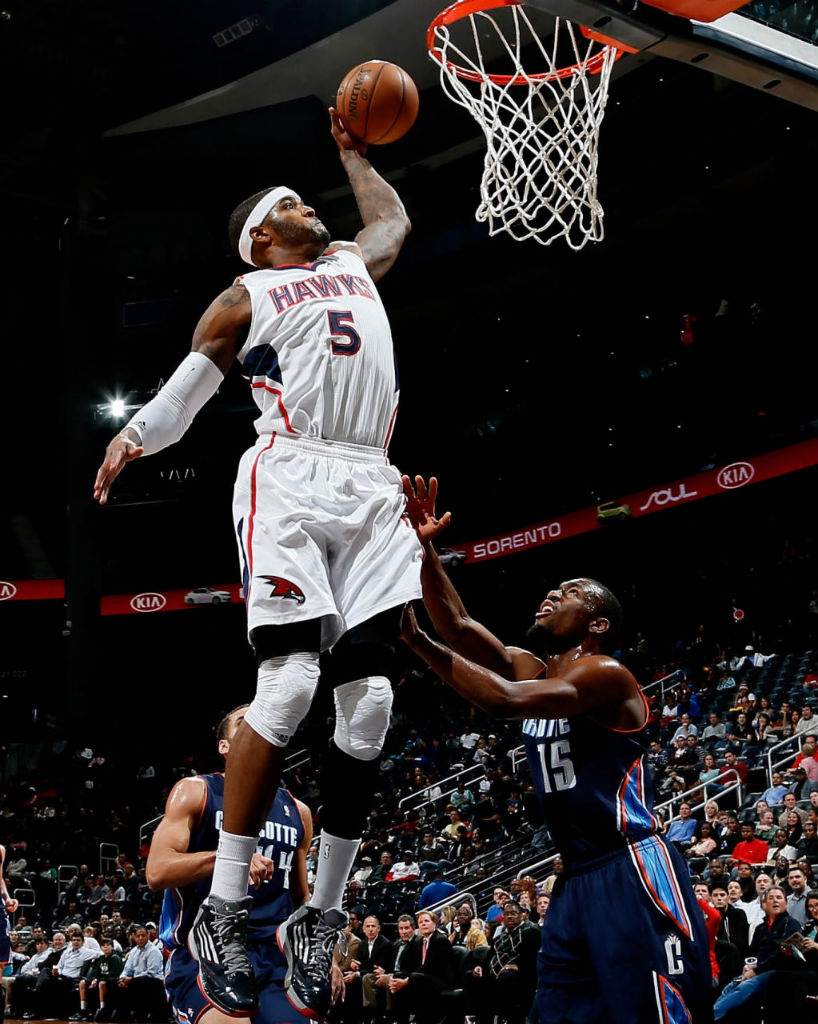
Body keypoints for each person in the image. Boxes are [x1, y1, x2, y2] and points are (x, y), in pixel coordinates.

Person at [93, 110, 423, 1020]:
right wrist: (133, 437)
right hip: (290, 473)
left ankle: (320, 917)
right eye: (295, 205)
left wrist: (356, 155)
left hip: (371, 480)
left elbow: (391, 223)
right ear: (263, 236)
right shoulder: (249, 295)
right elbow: (189, 385)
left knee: (373, 702)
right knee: (284, 687)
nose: (313, 209)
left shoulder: (352, 264)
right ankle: (226, 911)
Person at [398, 476, 714, 1023]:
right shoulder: (535, 667)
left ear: (596, 623)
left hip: (631, 865)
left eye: (568, 592)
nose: (549, 594)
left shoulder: (607, 675)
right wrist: (425, 546)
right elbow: (456, 622)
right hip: (574, 876)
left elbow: (501, 700)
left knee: (654, 1012)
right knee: (560, 1013)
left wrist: (416, 642)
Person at [146, 704, 323, 1024]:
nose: (256, 726)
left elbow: (300, 899)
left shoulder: (299, 811)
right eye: (244, 722)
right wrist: (230, 859)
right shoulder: (196, 791)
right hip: (203, 954)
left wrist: (321, 956)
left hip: (273, 959)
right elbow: (157, 872)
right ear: (224, 747)